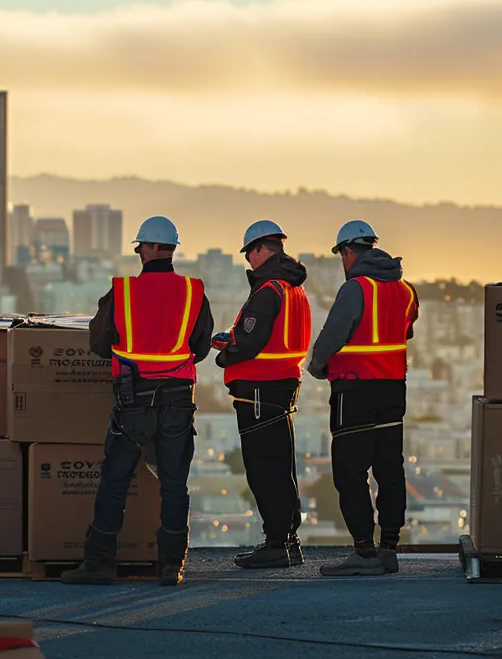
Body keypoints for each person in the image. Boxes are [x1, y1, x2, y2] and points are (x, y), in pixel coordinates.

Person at [62, 216, 214, 587]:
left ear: (145, 249)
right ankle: (170, 566)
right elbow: (201, 346)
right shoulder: (194, 292)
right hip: (178, 400)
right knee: (174, 485)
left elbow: (98, 344)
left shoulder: (123, 293)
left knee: (115, 480)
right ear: (172, 249)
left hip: (133, 401)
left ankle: (98, 564)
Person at [308, 220, 417, 576]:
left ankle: (363, 552)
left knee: (350, 471)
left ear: (348, 252)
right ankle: (388, 547)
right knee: (389, 468)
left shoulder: (356, 288)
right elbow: (406, 330)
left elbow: (332, 335)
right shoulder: (406, 289)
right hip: (392, 389)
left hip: (354, 390)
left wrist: (318, 366)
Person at [213, 220, 311, 569]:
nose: (249, 262)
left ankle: (275, 544)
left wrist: (224, 352)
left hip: (259, 390)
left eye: (249, 254)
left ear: (259, 250)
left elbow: (251, 340)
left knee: (264, 469)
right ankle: (289, 541)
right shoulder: (293, 289)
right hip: (282, 387)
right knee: (282, 467)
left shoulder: (267, 290)